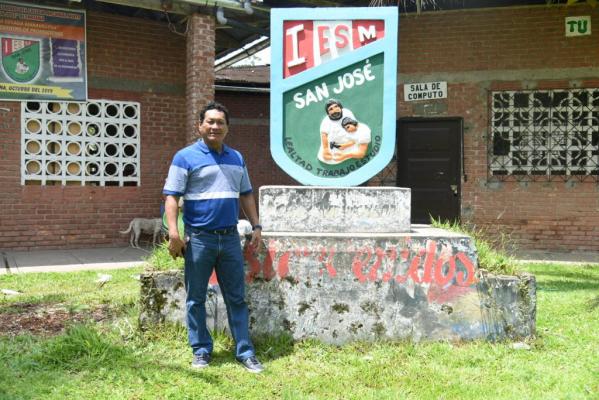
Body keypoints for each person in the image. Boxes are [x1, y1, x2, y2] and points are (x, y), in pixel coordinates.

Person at [163, 101, 265, 373]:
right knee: (196, 297)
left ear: (227, 128)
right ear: (199, 125)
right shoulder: (184, 157)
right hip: (198, 240)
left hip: (230, 238)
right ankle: (201, 350)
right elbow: (172, 197)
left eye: (220, 122)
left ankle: (245, 351)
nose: (215, 126)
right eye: (210, 121)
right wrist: (174, 233)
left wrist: (256, 226)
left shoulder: (237, 158)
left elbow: (246, 194)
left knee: (237, 297)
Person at [317, 99, 355, 165]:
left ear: (340, 108)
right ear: (328, 113)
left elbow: (355, 128)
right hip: (334, 149)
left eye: (336, 106)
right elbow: (324, 135)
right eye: (331, 109)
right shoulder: (326, 122)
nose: (334, 110)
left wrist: (349, 144)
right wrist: (326, 150)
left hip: (351, 144)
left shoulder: (347, 113)